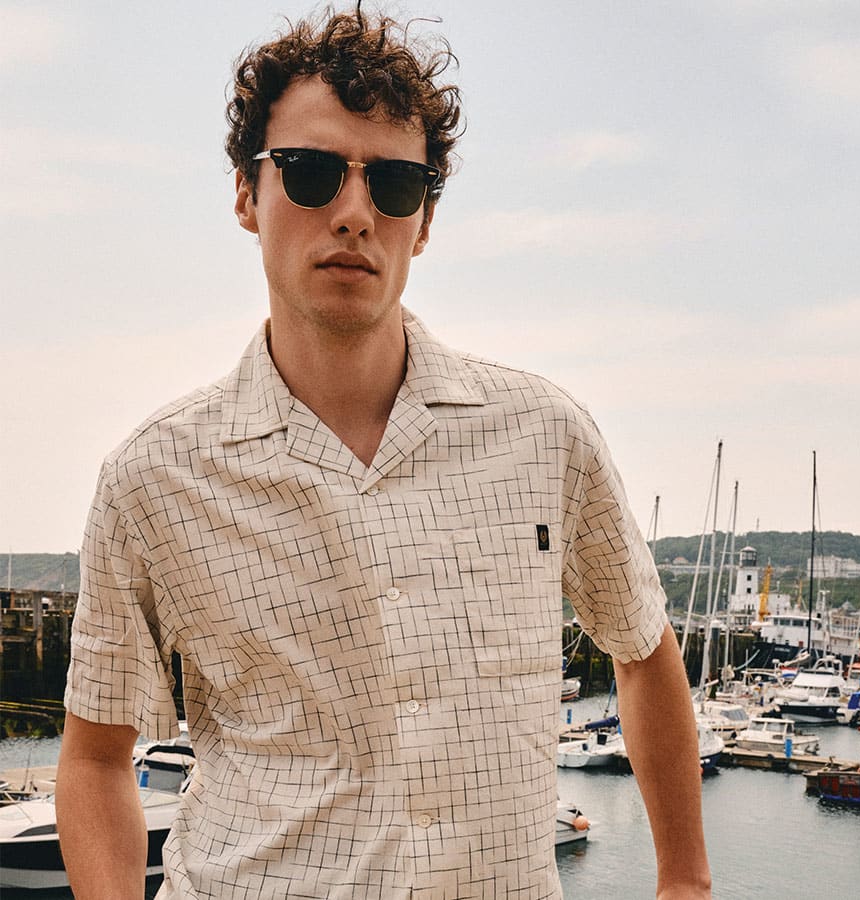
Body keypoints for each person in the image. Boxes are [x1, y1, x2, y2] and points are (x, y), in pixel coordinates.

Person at [56, 5, 712, 899]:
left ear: (426, 220)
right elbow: (96, 760)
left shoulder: (545, 435)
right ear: (249, 195)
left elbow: (642, 650)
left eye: (396, 185)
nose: (356, 212)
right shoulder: (153, 479)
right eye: (313, 171)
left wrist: (685, 883)